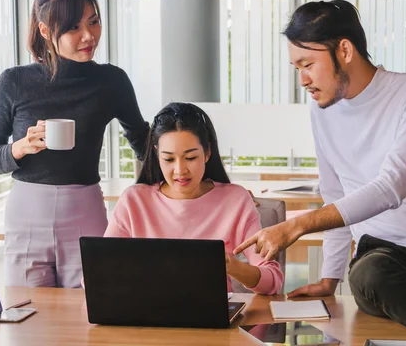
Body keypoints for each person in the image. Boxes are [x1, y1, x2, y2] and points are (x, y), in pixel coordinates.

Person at [234, 0, 406, 345]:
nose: (303, 80)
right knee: (368, 275)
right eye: (296, 68)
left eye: (307, 64)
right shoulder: (321, 112)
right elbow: (336, 195)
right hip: (383, 260)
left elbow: (391, 187)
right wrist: (329, 278)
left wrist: (296, 225)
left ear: (344, 50)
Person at [0, 0, 149, 288]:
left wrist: (208, 183)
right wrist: (20, 147)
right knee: (29, 318)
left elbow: (144, 142)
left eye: (94, 22)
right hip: (26, 214)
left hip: (85, 209)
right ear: (45, 30)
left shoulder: (111, 81)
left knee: (92, 314)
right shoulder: (14, 81)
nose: (88, 36)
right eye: (73, 28)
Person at [102, 102, 284, 295]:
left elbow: (272, 280)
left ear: (207, 153)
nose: (180, 170)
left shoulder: (235, 200)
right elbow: (95, 274)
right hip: (145, 316)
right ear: (156, 156)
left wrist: (231, 266)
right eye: (169, 159)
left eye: (190, 158)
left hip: (210, 320)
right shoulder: (134, 201)